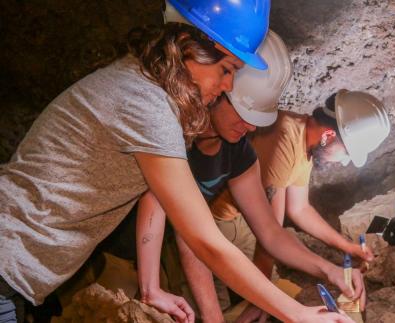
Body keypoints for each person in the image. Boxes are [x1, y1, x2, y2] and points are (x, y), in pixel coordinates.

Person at [0, 1, 352, 322]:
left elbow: (154, 196)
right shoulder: (147, 107)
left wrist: (151, 288)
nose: (228, 82)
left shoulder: (144, 89)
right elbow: (203, 240)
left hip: (19, 271)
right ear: (189, 47)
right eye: (227, 69)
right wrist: (298, 314)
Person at [136, 31, 366, 323]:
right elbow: (191, 235)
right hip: (130, 243)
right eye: (245, 113)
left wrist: (330, 270)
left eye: (257, 118)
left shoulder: (239, 151)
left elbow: (270, 232)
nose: (250, 127)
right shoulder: (175, 137)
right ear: (219, 92)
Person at [210, 89, 392, 321]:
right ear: (328, 135)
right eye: (346, 152)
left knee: (269, 295)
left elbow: (299, 209)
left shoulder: (304, 142)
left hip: (241, 223)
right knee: (215, 310)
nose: (344, 161)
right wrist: (263, 300)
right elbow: (270, 236)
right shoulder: (283, 138)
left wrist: (348, 248)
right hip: (210, 221)